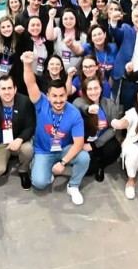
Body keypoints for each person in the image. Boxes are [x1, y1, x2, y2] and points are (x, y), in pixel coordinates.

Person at [21, 51, 90, 205]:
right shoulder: (41, 102)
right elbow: (31, 84)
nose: (58, 100)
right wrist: (27, 65)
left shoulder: (74, 113)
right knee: (39, 183)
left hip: (64, 148)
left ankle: (73, 186)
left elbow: (78, 143)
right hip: (43, 150)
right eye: (55, 96)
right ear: (48, 95)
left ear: (66, 95)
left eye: (62, 96)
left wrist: (63, 162)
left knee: (84, 157)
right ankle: (38, 165)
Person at [0, 75, 36, 190]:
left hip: (18, 139)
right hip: (0, 143)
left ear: (15, 89)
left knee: (28, 149)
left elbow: (30, 126)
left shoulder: (24, 101)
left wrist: (20, 139)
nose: (7, 92)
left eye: (10, 88)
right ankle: (7, 158)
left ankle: (23, 170)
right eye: (3, 89)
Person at [73, 76, 123, 182]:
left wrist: (94, 145)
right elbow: (78, 105)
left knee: (115, 149)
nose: (93, 92)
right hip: (85, 142)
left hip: (102, 140)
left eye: (96, 88)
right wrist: (88, 109)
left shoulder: (109, 104)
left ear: (101, 89)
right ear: (85, 91)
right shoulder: (79, 102)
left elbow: (112, 129)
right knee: (88, 171)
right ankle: (94, 162)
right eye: (90, 89)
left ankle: (101, 165)